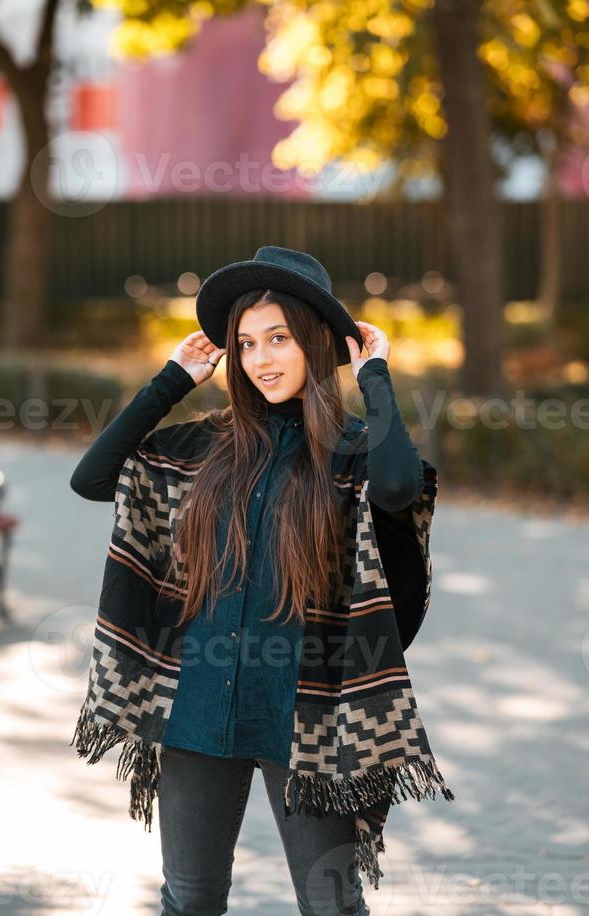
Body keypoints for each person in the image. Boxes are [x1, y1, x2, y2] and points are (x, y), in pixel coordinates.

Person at [70, 246, 447, 916]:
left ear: (317, 343)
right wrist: (171, 380)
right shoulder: (200, 447)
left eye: (278, 339)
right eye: (245, 344)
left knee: (330, 902)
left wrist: (377, 375)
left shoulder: (354, 451)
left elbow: (397, 487)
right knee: (189, 899)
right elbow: (92, 478)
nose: (260, 359)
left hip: (307, 715)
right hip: (197, 712)